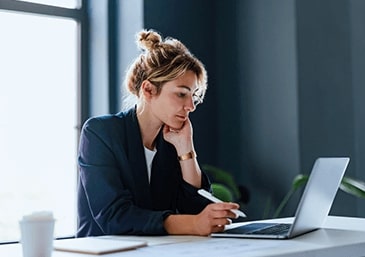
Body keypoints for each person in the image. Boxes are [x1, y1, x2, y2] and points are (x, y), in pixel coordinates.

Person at [76, 29, 241, 237]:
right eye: (182, 94)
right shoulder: (100, 133)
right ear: (148, 90)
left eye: (194, 96)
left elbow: (196, 211)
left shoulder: (170, 142)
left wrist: (186, 149)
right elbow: (114, 217)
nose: (191, 106)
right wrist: (194, 224)